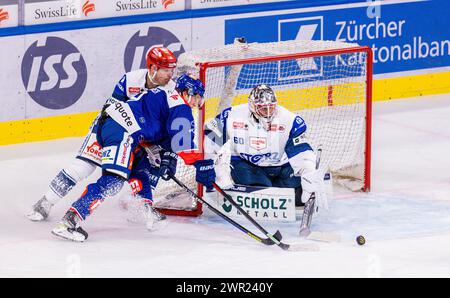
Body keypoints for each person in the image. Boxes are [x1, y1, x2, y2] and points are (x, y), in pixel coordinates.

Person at [51, 74, 215, 242]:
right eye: (196, 96)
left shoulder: (167, 96)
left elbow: (166, 137)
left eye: (200, 98)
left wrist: (168, 157)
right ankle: (69, 222)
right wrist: (203, 164)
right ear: (186, 92)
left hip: (116, 127)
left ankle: (146, 209)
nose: (197, 102)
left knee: (142, 165)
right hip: (123, 131)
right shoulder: (180, 106)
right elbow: (183, 145)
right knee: (113, 182)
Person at [27, 46, 178, 222]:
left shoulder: (171, 90)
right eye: (166, 70)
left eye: (171, 70)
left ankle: (143, 207)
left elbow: (167, 123)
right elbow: (112, 109)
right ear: (152, 68)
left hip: (135, 137)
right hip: (109, 127)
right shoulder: (131, 80)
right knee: (83, 167)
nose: (170, 75)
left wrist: (152, 144)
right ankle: (45, 203)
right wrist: (141, 138)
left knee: (147, 166)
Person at [204, 84, 326, 208]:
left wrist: (308, 171)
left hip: (282, 166)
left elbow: (300, 150)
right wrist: (207, 165)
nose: (268, 113)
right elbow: (209, 137)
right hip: (247, 165)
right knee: (260, 194)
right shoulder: (231, 115)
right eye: (263, 109)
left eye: (271, 108)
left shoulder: (290, 120)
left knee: (298, 197)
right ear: (252, 106)